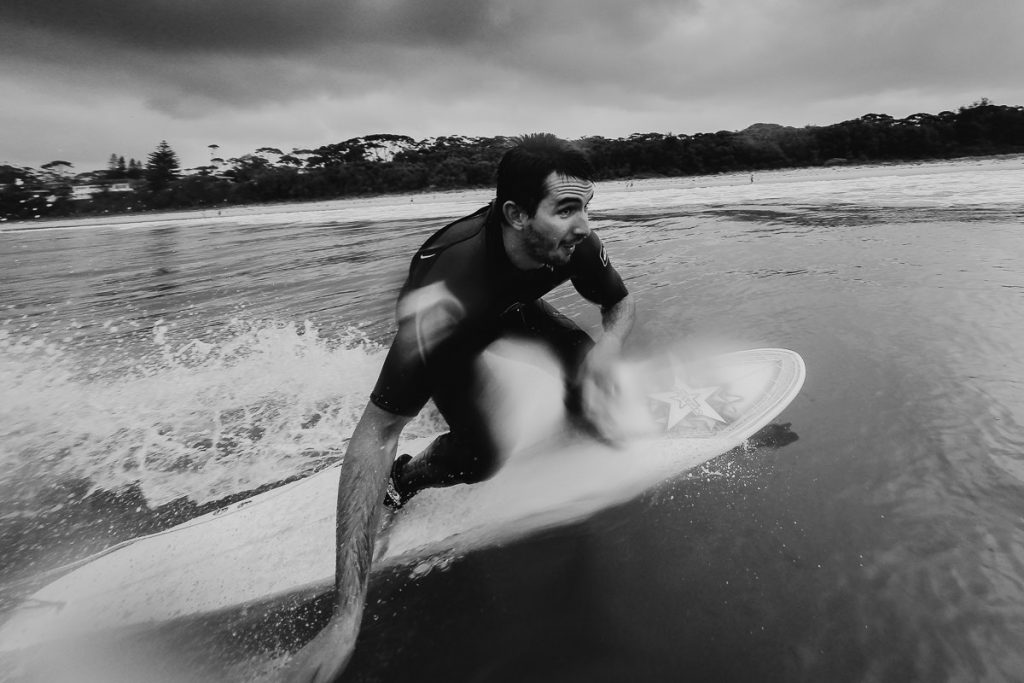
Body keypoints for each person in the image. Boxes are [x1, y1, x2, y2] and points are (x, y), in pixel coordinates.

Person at [283, 134, 635, 683]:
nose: (585, 225)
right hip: (455, 323)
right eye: (567, 209)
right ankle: (405, 482)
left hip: (511, 305)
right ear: (517, 215)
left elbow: (618, 302)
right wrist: (344, 619)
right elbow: (376, 431)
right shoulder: (447, 287)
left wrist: (608, 351)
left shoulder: (576, 244)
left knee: (593, 384)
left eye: (587, 207)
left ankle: (580, 413)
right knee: (483, 456)